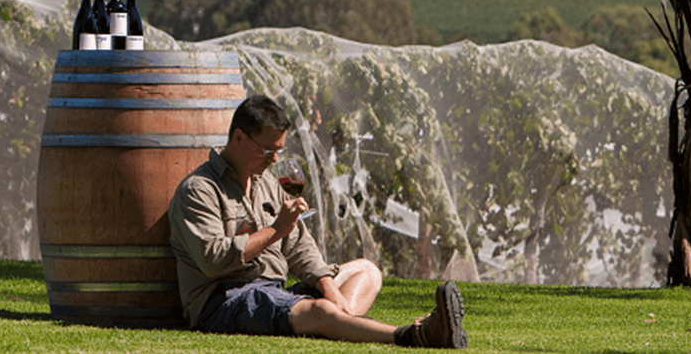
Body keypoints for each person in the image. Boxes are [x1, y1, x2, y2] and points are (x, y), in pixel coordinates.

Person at [168, 94, 467, 348]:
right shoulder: (198, 190)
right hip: (227, 300)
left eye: (280, 151)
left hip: (275, 292)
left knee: (367, 272)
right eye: (268, 150)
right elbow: (213, 260)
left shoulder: (266, 183)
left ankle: (339, 323)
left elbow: (300, 247)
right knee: (321, 309)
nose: (274, 160)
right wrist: (275, 231)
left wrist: (331, 289)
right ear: (238, 137)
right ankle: (414, 336)